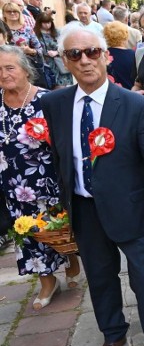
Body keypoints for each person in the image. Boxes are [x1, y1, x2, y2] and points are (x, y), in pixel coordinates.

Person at [40, 23, 144, 346]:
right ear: (66, 61)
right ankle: (113, 335)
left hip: (134, 209)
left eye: (91, 52)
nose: (85, 60)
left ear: (105, 56)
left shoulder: (136, 106)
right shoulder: (54, 104)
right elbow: (60, 158)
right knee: (100, 277)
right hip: (85, 210)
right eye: (75, 54)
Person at [0, 45, 83, 309]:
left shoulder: (47, 101)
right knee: (27, 234)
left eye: (10, 68)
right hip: (13, 186)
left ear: (26, 70)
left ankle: (70, 261)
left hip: (48, 182)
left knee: (58, 230)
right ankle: (47, 282)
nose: (4, 74)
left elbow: (69, 142)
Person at [2, 1, 47, 89]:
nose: (12, 13)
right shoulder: (3, 31)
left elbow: (40, 49)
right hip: (6, 68)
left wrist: (30, 50)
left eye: (15, 11)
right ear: (4, 14)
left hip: (27, 68)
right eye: (9, 11)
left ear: (19, 13)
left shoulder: (27, 29)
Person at [34, 12, 73, 88]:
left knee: (62, 86)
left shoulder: (58, 32)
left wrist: (57, 52)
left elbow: (67, 45)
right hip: (46, 63)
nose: (47, 25)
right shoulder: (36, 34)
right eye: (44, 23)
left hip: (59, 61)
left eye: (49, 22)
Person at [104, 22, 137, 90]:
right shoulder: (134, 55)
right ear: (125, 36)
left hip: (111, 93)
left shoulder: (104, 56)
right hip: (131, 93)